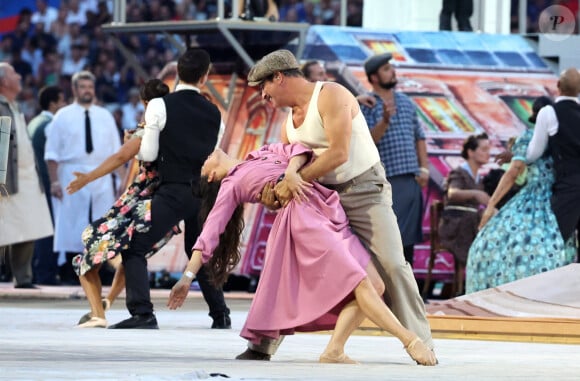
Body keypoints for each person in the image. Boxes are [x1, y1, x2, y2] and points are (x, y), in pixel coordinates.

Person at [237, 49, 435, 362]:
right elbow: (286, 165)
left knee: (393, 265)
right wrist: (275, 189)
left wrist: (295, 181)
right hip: (322, 198)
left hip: (365, 190)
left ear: (278, 77)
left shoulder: (331, 94)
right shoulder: (289, 124)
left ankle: (423, 343)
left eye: (264, 87)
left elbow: (339, 153)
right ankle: (262, 346)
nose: (263, 95)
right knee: (284, 261)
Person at [168, 144, 437, 366]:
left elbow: (297, 149)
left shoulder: (259, 154)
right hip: (303, 221)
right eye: (204, 165)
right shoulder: (231, 184)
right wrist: (187, 276)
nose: (206, 156)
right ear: (211, 177)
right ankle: (409, 340)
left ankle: (334, 350)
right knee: (360, 282)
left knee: (376, 285)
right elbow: (210, 234)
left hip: (326, 209)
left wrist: (291, 173)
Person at [107, 48, 231, 330]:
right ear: (205, 76)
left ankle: (142, 313)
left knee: (135, 246)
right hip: (203, 192)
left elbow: (148, 155)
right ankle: (220, 313)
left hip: (173, 190)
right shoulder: (215, 113)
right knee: (198, 250)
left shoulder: (160, 105)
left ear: (177, 71)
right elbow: (213, 157)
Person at [66, 78, 173, 328]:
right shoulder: (174, 132)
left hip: (139, 200)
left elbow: (121, 156)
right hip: (165, 201)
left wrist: (88, 177)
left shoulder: (146, 131)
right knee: (131, 252)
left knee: (92, 244)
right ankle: (108, 302)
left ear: (146, 103)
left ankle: (97, 312)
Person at [466, 97, 577, 293]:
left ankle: (511, 291)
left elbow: (514, 170)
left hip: (536, 197)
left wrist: (491, 205)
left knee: (500, 242)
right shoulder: (561, 139)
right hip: (559, 198)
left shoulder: (528, 138)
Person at [45, 70, 121, 286]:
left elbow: (117, 152)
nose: (87, 91)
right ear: (75, 89)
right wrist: (54, 181)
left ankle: (103, 268)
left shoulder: (104, 115)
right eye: (83, 87)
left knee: (103, 221)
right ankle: (71, 270)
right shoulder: (63, 115)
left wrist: (121, 181)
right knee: (71, 221)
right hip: (70, 171)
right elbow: (51, 153)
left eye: (90, 87)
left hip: (101, 172)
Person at [360, 53, 429, 268]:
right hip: (384, 180)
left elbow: (419, 136)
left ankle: (406, 288)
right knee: (388, 239)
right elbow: (367, 141)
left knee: (407, 239)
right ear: (374, 77)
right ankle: (387, 289)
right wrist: (385, 121)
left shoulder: (406, 102)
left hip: (410, 180)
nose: (392, 72)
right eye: (386, 69)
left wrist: (424, 168)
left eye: (392, 68)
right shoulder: (367, 104)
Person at [0, 63, 53, 289]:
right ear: (3, 82)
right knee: (4, 226)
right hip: (6, 176)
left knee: (29, 225)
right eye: (14, 73)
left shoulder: (14, 105)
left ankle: (23, 277)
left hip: (27, 177)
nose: (20, 77)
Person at [527, 68, 580, 252]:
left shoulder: (549, 112)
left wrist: (517, 154)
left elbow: (534, 152)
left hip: (569, 186)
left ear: (558, 85)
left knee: (553, 242)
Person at [438, 133, 490, 295]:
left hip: (467, 223)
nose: (488, 153)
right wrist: (475, 194)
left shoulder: (478, 177)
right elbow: (453, 193)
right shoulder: (459, 173)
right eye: (484, 149)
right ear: (471, 152)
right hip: (455, 226)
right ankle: (467, 290)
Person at [27, 85, 66, 285]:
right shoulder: (50, 125)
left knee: (39, 231)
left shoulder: (34, 122)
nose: (65, 105)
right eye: (62, 101)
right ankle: (46, 274)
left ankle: (38, 271)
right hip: (46, 184)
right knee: (49, 231)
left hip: (34, 183)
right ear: (53, 104)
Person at [301, 60, 376, 108]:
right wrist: (357, 101)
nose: (326, 77)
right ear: (308, 80)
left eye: (324, 73)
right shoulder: (304, 104)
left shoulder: (328, 96)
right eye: (320, 74)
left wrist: (357, 100)